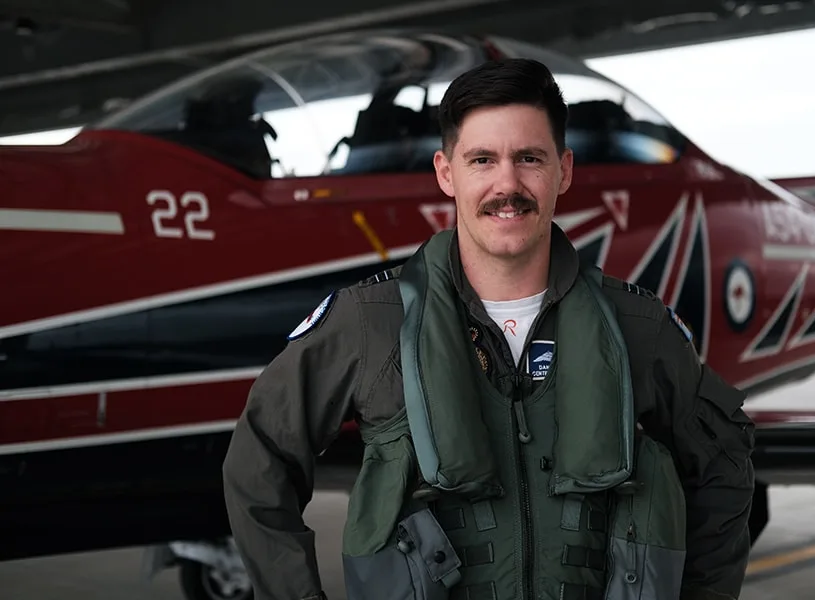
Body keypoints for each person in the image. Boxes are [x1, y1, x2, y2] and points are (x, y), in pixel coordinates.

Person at [222, 57, 756, 600]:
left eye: (529, 158)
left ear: (563, 170)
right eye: (482, 160)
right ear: (446, 172)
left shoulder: (637, 327)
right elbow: (258, 460)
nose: (508, 184)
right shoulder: (371, 322)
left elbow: (724, 466)